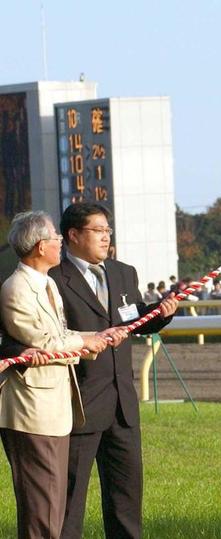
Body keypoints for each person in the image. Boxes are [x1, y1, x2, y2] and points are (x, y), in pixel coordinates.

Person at [48, 203, 178, 539]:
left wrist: (161, 313)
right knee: (69, 504)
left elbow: (133, 321)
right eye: (98, 230)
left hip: (123, 408)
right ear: (73, 235)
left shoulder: (123, 273)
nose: (106, 237)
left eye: (108, 230)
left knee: (126, 501)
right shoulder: (53, 280)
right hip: (80, 407)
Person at [0, 211, 116, 539]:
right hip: (31, 413)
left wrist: (98, 337)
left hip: (53, 412)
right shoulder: (16, 289)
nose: (60, 242)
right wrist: (87, 341)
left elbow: (60, 334)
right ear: (40, 247)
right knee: (42, 514)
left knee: (51, 508)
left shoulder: (47, 283)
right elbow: (46, 342)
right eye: (56, 238)